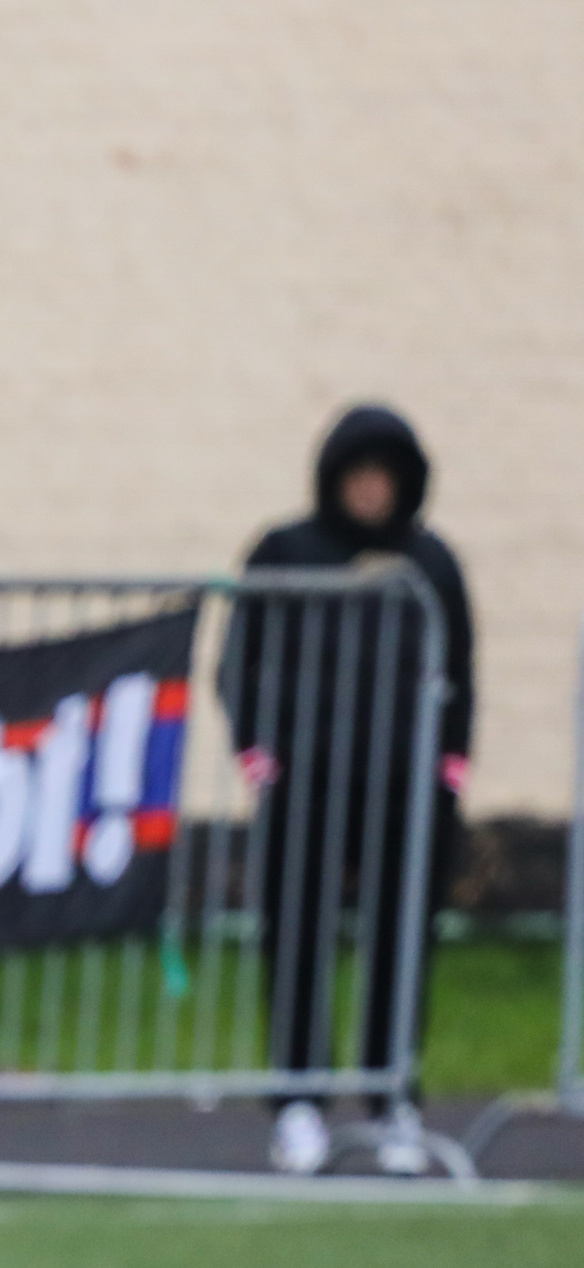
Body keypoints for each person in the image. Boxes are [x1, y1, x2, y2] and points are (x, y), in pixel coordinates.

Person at [228, 405, 474, 1177]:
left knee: (402, 947)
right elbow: (243, 651)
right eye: (357, 476)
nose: (370, 491)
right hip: (307, 785)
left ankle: (391, 1094)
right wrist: (254, 748)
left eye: (384, 478)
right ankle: (300, 1100)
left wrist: (452, 762)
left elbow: (461, 666)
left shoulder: (430, 561)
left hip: (404, 786)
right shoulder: (286, 548)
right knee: (297, 935)